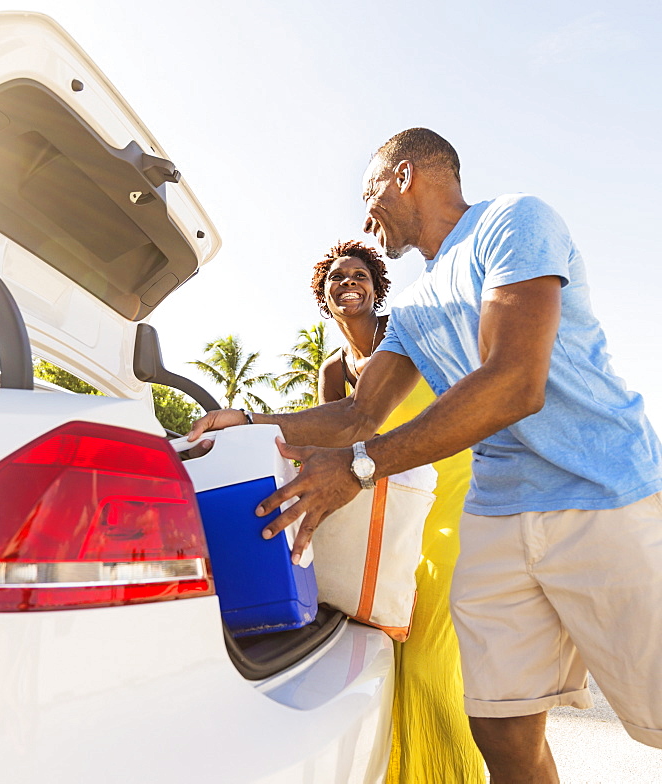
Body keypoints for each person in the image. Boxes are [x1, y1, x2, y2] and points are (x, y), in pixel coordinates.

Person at [188, 128, 662, 782]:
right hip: (497, 517)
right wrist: (250, 420)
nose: (365, 213)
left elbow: (514, 382)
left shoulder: (512, 222)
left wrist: (358, 468)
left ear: (403, 174)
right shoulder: (411, 311)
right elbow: (357, 413)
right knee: (500, 729)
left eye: (369, 192)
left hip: (603, 495)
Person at [312, 239, 485, 783]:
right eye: (336, 278)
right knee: (396, 651)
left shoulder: (404, 332)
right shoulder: (333, 368)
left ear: (375, 285)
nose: (348, 282)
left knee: (434, 652)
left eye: (358, 274)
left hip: (453, 488)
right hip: (395, 507)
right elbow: (333, 432)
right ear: (325, 297)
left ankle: (456, 773)